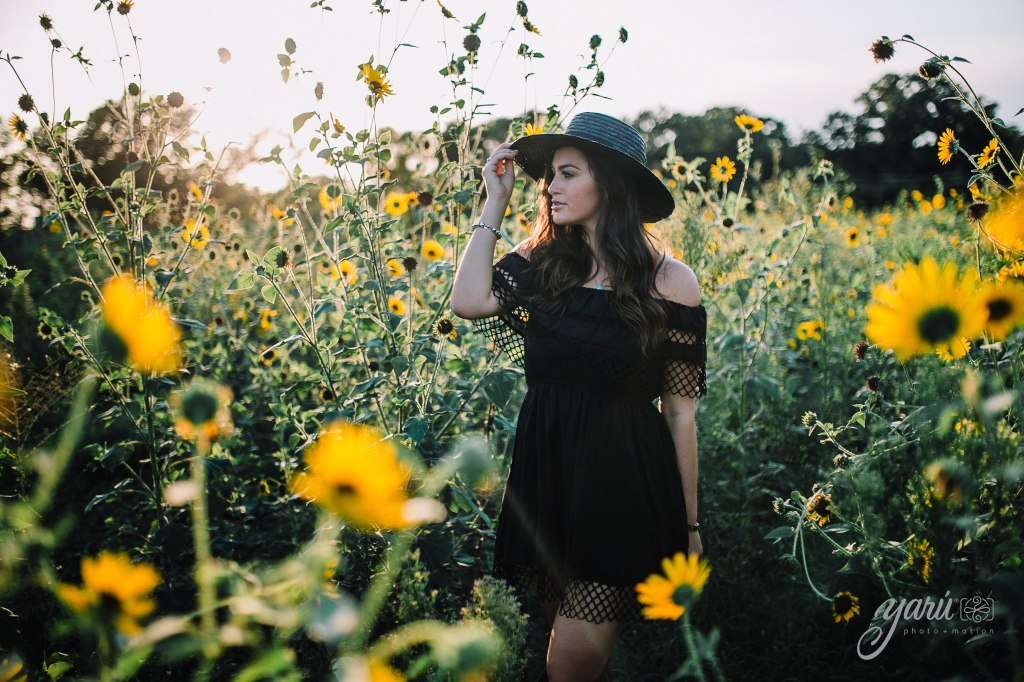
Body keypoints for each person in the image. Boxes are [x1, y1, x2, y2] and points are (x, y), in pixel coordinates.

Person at [450, 111, 707, 682]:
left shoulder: (671, 282)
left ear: (610, 184)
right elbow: (467, 302)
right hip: (549, 483)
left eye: (568, 174)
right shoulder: (544, 263)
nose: (550, 188)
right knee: (572, 660)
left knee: (566, 667)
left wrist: (689, 528)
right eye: (550, 177)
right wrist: (494, 202)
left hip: (624, 491)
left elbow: (680, 412)